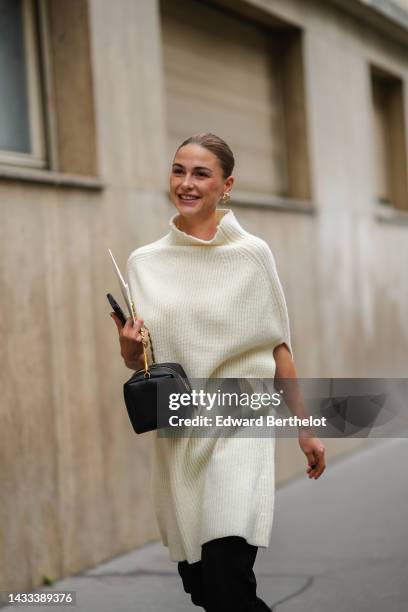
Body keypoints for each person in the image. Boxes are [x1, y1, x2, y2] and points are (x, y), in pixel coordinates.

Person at [111, 133, 326, 611]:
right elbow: (144, 362)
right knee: (204, 588)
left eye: (201, 173)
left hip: (239, 427)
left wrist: (305, 430)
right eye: (178, 170)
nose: (186, 183)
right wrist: (128, 350)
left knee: (228, 581)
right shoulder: (143, 263)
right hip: (181, 433)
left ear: (225, 186)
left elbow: (278, 348)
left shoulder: (253, 254)